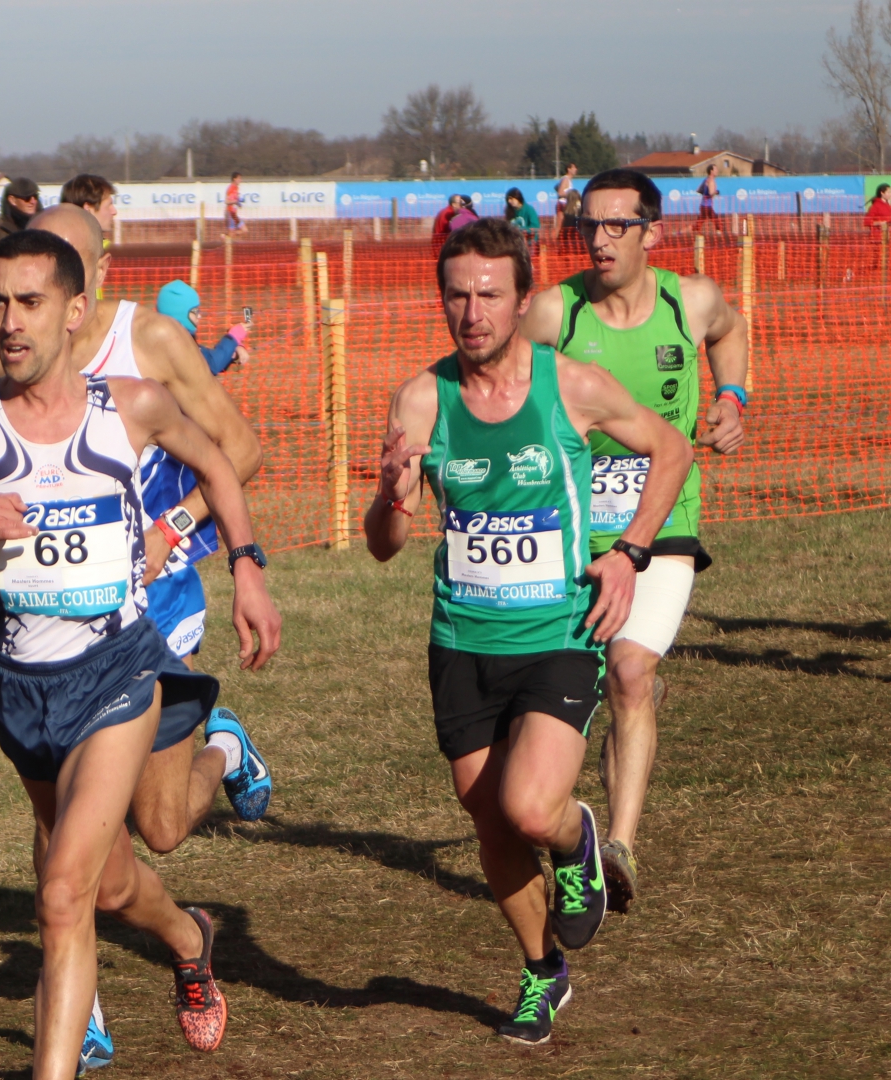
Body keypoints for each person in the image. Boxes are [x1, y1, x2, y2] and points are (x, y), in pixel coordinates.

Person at [0, 229, 278, 1079]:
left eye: (29, 303)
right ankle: (189, 936)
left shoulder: (130, 407)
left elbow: (222, 465)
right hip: (19, 689)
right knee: (107, 886)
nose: (10, 321)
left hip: (117, 673)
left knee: (63, 890)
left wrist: (246, 568)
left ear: (74, 312)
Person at [363, 217, 693, 1046]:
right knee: (490, 823)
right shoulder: (421, 399)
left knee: (530, 807)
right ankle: (544, 969)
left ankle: (580, 839)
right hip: (462, 641)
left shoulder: (570, 386)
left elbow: (672, 449)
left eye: (489, 295)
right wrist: (392, 495)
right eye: (457, 295)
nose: (471, 313)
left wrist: (630, 553)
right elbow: (384, 544)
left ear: (521, 300)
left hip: (557, 634)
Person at [518, 167, 748, 916]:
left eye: (618, 224)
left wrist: (732, 397)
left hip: (664, 520)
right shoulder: (555, 312)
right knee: (561, 689)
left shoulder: (692, 301)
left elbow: (731, 329)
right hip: (570, 533)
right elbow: (502, 381)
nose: (600, 238)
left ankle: (616, 847)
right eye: (590, 223)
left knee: (627, 670)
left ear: (653, 232)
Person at [156, 280, 250, 376]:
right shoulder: (177, 343)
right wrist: (233, 337)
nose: (199, 316)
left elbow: (209, 356)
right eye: (195, 311)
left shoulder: (168, 337)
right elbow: (212, 364)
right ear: (180, 314)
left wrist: (233, 351)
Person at [0, 177, 41, 269]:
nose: (33, 201)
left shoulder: (45, 222)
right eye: (27, 198)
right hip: (7, 276)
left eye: (35, 197)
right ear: (12, 200)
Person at [552, 165, 580, 243]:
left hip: (566, 204)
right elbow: (560, 193)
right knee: (559, 225)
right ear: (568, 169)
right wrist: (572, 195)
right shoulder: (565, 179)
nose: (576, 169)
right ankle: (554, 243)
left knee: (564, 225)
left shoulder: (568, 180)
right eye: (574, 168)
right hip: (562, 204)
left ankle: (561, 242)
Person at [696, 164, 718, 233]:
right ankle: (719, 233)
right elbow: (711, 193)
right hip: (707, 206)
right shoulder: (711, 180)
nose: (717, 171)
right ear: (711, 171)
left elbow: (698, 190)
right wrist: (716, 192)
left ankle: (680, 232)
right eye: (715, 169)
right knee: (716, 221)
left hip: (704, 205)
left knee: (698, 225)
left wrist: (705, 192)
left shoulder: (705, 180)